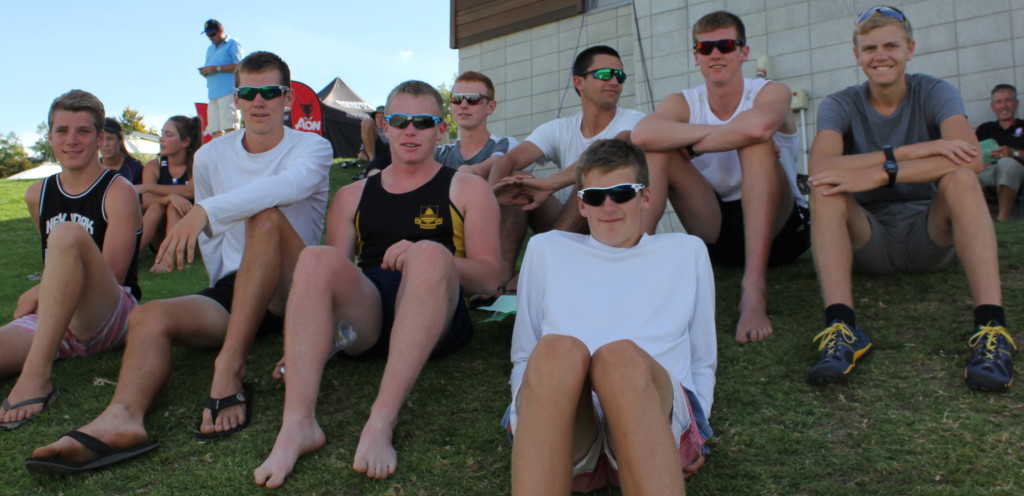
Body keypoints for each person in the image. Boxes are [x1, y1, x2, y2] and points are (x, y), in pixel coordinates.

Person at [27, 51, 333, 473]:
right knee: (149, 316)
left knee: (265, 218)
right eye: (248, 92)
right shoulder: (211, 156)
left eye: (271, 92)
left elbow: (288, 186)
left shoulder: (313, 147)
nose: (259, 101)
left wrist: (206, 212)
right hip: (238, 288)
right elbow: (215, 244)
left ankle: (230, 366)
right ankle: (122, 418)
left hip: (294, 284)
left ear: (287, 99)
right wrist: (219, 269)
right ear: (237, 100)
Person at [252, 80, 500, 487]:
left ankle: (381, 421)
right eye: (400, 121)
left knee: (431, 254)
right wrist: (307, 344)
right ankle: (297, 425)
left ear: (441, 129)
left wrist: (420, 249)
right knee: (316, 258)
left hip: (436, 309)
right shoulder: (352, 195)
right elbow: (332, 278)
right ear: (384, 126)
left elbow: (490, 277)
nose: (410, 131)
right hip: (371, 314)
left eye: (424, 122)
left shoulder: (466, 187)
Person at [806, 6, 1015, 391]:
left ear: (910, 49)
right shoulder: (840, 103)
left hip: (929, 233)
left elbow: (971, 156)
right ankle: (842, 327)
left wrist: (879, 173)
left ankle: (992, 328)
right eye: (869, 47)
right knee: (825, 188)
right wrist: (906, 154)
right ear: (856, 54)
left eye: (891, 45)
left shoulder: (935, 91)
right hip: (870, 239)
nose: (880, 55)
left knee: (960, 178)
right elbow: (821, 166)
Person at [505, 139, 715, 495]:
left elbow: (702, 359)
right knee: (555, 349)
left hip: (653, 414)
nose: (608, 206)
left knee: (618, 357)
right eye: (594, 196)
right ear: (581, 205)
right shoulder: (547, 250)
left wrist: (697, 430)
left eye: (621, 192)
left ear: (645, 198)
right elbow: (525, 354)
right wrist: (528, 424)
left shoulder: (685, 251)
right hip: (568, 424)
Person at [632, 10, 809, 345]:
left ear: (743, 52)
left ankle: (754, 288)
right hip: (717, 233)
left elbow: (757, 126)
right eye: (706, 48)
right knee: (658, 150)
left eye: (726, 45)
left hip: (781, 232)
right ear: (696, 56)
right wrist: (715, 134)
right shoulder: (682, 101)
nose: (716, 54)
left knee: (757, 142)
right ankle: (635, 268)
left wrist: (694, 145)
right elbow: (642, 135)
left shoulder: (771, 92)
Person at [0, 90, 142, 431]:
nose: (71, 140)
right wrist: (46, 292)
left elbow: (113, 273)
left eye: (83, 131)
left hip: (109, 313)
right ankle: (45, 352)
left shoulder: (117, 190)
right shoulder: (38, 193)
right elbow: (57, 264)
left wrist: (40, 290)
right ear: (49, 136)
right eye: (62, 130)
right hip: (55, 317)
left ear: (100, 138)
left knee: (65, 234)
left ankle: (37, 377)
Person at [488, 45, 644, 294]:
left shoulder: (632, 120)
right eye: (605, 74)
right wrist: (491, 199)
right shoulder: (560, 128)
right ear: (579, 82)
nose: (615, 81)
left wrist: (550, 183)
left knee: (590, 182)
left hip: (608, 226)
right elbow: (506, 162)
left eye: (620, 76)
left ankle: (535, 269)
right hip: (570, 227)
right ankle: (500, 280)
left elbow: (608, 152)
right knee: (518, 182)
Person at [136, 116, 202, 265]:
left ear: (185, 142)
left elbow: (189, 191)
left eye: (168, 135)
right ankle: (127, 255)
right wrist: (170, 197)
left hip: (189, 234)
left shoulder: (196, 164)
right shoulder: (153, 166)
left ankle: (167, 259)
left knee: (174, 208)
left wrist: (148, 187)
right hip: (157, 234)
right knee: (156, 207)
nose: (161, 139)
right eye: (162, 133)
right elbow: (146, 201)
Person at [434, 71, 518, 177]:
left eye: (473, 99)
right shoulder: (440, 154)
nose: (463, 105)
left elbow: (502, 161)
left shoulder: (505, 145)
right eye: (457, 99)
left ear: (491, 107)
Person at [975, 84, 1024, 221]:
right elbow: (972, 153)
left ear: (1016, 103)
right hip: (989, 171)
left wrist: (1012, 153)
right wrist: (980, 162)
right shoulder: (984, 129)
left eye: (1008, 100)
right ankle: (981, 221)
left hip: (1017, 170)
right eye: (998, 101)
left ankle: (1003, 219)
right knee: (965, 175)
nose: (1003, 105)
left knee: (1006, 163)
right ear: (993, 107)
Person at [198, 19, 243, 138]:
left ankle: (233, 155)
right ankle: (218, 156)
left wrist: (217, 69)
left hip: (228, 91)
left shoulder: (232, 43)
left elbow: (239, 66)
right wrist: (206, 71)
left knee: (230, 127)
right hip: (212, 93)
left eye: (212, 34)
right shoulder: (210, 49)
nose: (210, 37)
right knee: (215, 130)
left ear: (221, 31)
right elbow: (211, 67)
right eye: (208, 34)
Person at [99, 118, 145, 185]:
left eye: (110, 139)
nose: (105, 144)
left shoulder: (135, 169)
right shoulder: (90, 169)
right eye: (101, 139)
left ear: (120, 140)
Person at [362, 105, 391, 176]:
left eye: (382, 117)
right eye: (377, 117)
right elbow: (361, 154)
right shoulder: (371, 131)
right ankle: (372, 162)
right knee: (367, 122)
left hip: (390, 153)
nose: (380, 120)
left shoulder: (393, 128)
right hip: (377, 153)